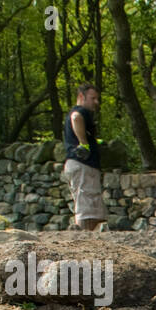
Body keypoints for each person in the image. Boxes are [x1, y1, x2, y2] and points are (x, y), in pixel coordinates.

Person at [63, 83, 106, 231]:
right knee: (87, 210)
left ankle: (91, 241)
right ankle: (85, 241)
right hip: (82, 165)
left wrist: (93, 141)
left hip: (82, 166)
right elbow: (76, 118)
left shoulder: (83, 114)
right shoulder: (81, 111)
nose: (96, 102)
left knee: (92, 209)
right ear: (81, 97)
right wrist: (84, 143)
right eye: (92, 98)